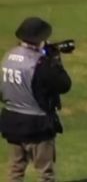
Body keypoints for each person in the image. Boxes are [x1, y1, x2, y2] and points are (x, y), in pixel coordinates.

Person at [0, 17, 72, 182]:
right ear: (40, 39)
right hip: (37, 125)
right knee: (46, 174)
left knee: (15, 172)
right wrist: (55, 61)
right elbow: (64, 85)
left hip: (12, 121)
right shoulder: (40, 63)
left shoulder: (8, 56)